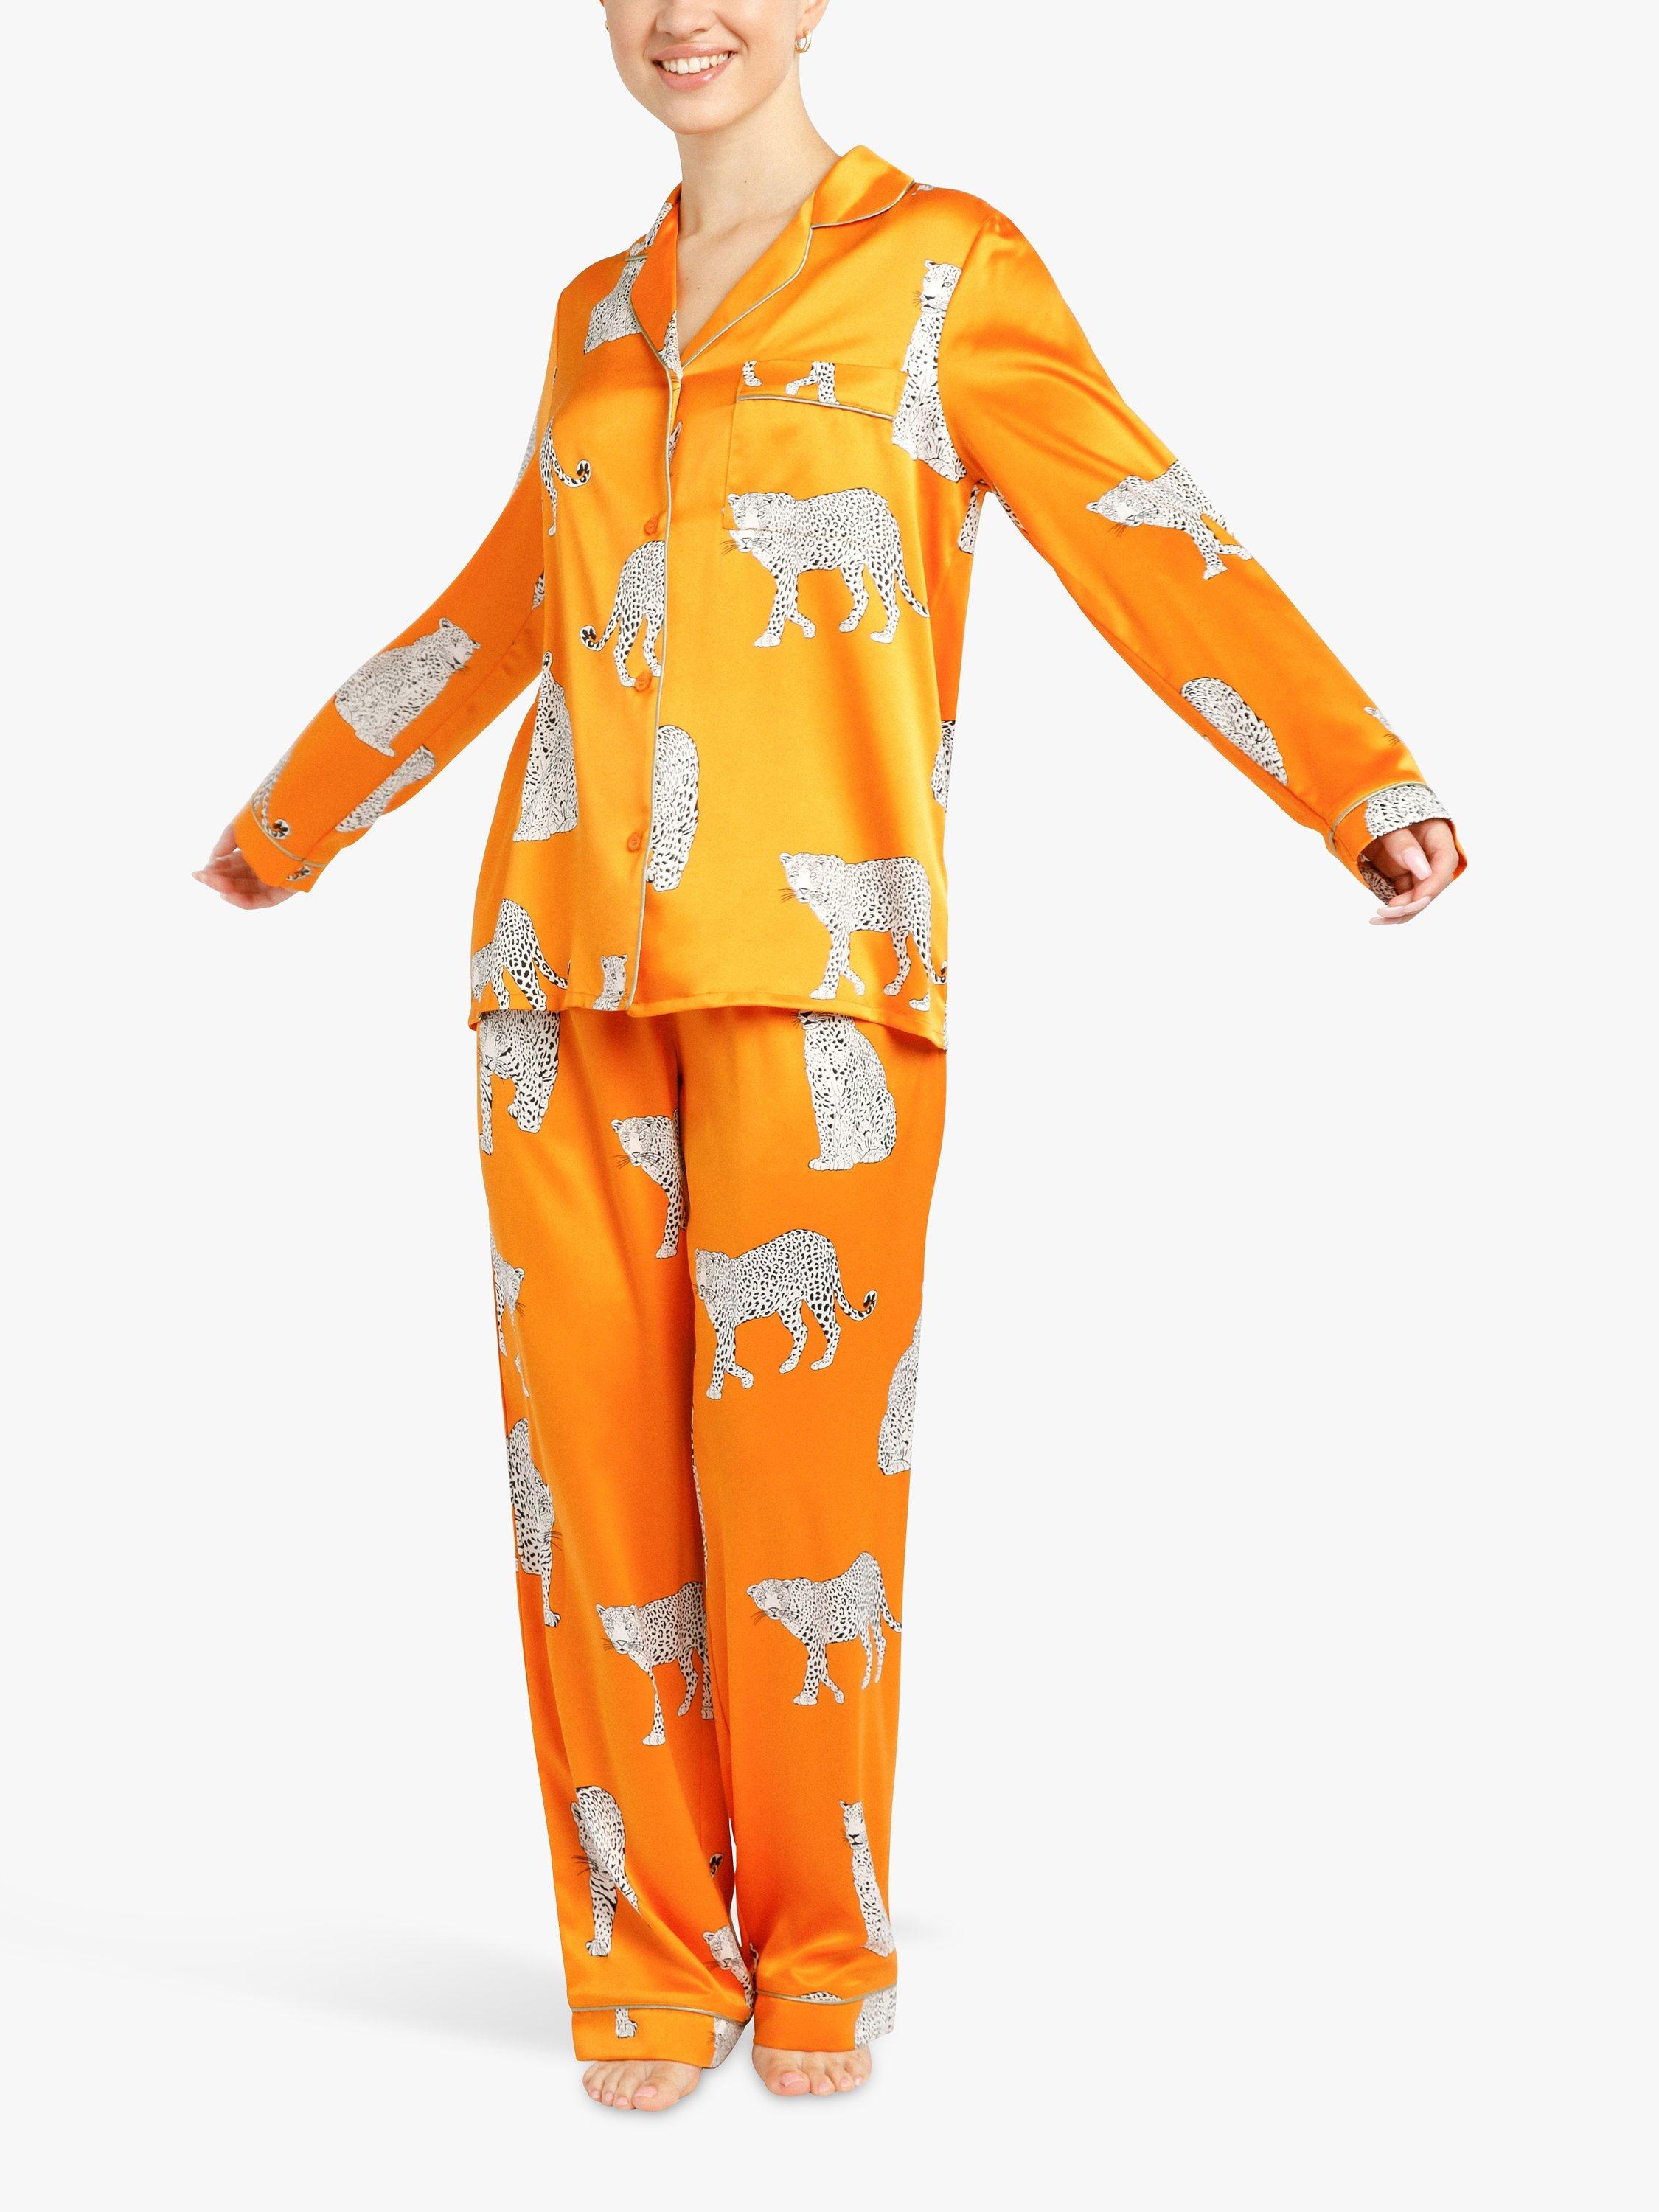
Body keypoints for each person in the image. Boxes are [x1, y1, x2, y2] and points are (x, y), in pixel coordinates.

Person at [196, 0, 1466, 2115]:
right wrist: (300, 814)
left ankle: (816, 1944)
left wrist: (1354, 780)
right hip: (552, 972)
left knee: (799, 1496)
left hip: (821, 972)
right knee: (587, 1490)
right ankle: (645, 1961)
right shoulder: (592, 313)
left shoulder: (941, 266)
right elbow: (511, 595)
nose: (680, 15)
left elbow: (1140, 522)